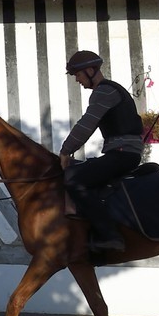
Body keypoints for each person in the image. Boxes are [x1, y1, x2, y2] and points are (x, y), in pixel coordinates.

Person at [58, 51, 143, 253]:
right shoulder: (112, 90)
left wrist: (66, 150)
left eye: (78, 74)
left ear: (90, 70)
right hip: (124, 152)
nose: (77, 79)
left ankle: (110, 236)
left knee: (75, 180)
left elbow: (87, 124)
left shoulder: (104, 91)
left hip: (122, 153)